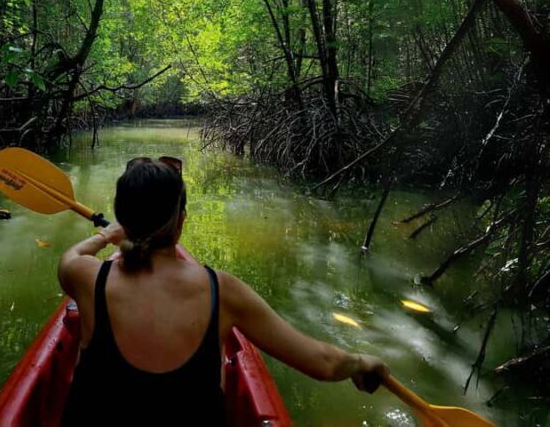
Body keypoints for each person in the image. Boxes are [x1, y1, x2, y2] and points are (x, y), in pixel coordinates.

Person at [57, 157, 389, 426]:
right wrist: (361, 362)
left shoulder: (87, 277)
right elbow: (324, 364)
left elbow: (71, 257)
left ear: (122, 219)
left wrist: (105, 236)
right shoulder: (224, 291)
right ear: (181, 221)